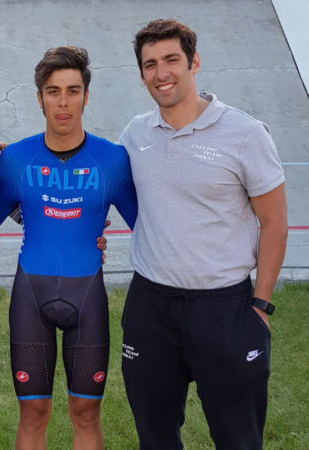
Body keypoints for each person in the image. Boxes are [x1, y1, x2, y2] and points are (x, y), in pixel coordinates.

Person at [118, 19, 288, 449]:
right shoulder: (135, 134)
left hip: (225, 307)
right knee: (155, 438)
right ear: (141, 74)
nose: (162, 73)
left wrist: (261, 304)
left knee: (238, 439)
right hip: (150, 306)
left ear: (194, 62)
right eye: (151, 64)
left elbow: (274, 222)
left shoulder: (245, 133)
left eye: (171, 59)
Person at [0, 47, 138, 450]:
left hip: (87, 298)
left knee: (86, 412)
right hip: (30, 299)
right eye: (53, 92)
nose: (63, 102)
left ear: (87, 96)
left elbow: (149, 226)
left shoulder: (112, 160)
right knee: (33, 412)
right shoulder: (16, 159)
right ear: (39, 98)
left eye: (73, 91)